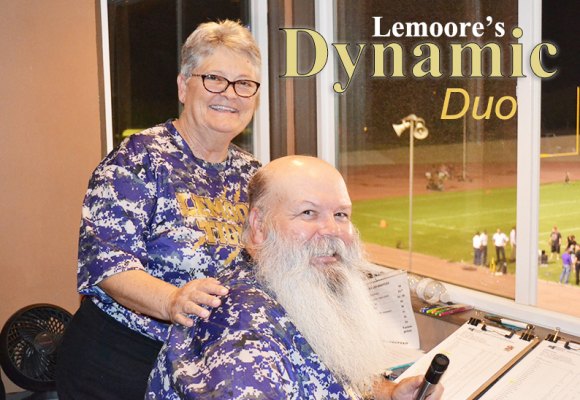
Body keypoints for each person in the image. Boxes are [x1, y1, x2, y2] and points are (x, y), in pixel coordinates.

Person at [56, 20, 263, 400]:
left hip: (201, 363)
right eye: (214, 78)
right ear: (184, 87)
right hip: (118, 363)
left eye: (244, 84)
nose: (230, 94)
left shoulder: (255, 176)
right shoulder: (138, 159)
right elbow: (107, 265)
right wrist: (172, 300)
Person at [146, 156, 444, 400]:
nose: (331, 230)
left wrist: (388, 394)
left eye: (341, 215)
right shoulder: (240, 333)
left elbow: (317, 371)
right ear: (259, 227)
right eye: (308, 212)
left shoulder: (294, 290)